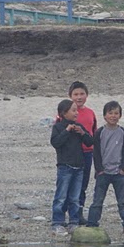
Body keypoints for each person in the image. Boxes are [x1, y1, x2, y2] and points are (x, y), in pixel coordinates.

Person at [86, 101, 124, 234]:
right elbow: (95, 152)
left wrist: (123, 168)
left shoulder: (123, 132)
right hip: (103, 172)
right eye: (110, 113)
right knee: (97, 201)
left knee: (123, 201)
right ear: (104, 116)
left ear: (120, 115)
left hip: (119, 173)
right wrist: (99, 169)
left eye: (116, 113)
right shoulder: (100, 132)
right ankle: (92, 224)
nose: (113, 116)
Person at [50, 99, 93, 235]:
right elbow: (56, 143)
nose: (76, 113)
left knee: (75, 197)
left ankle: (73, 222)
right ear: (64, 113)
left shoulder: (78, 126)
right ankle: (57, 222)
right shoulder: (58, 127)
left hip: (79, 167)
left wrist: (83, 133)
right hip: (65, 167)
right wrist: (67, 131)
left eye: (77, 110)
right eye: (73, 110)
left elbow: (90, 141)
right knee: (61, 196)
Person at [67, 81, 97, 225]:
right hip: (71, 154)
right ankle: (67, 214)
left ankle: (79, 213)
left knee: (83, 184)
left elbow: (95, 134)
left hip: (87, 152)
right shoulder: (65, 113)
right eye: (76, 94)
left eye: (82, 94)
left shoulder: (90, 113)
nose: (79, 97)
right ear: (70, 96)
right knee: (69, 183)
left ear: (86, 95)